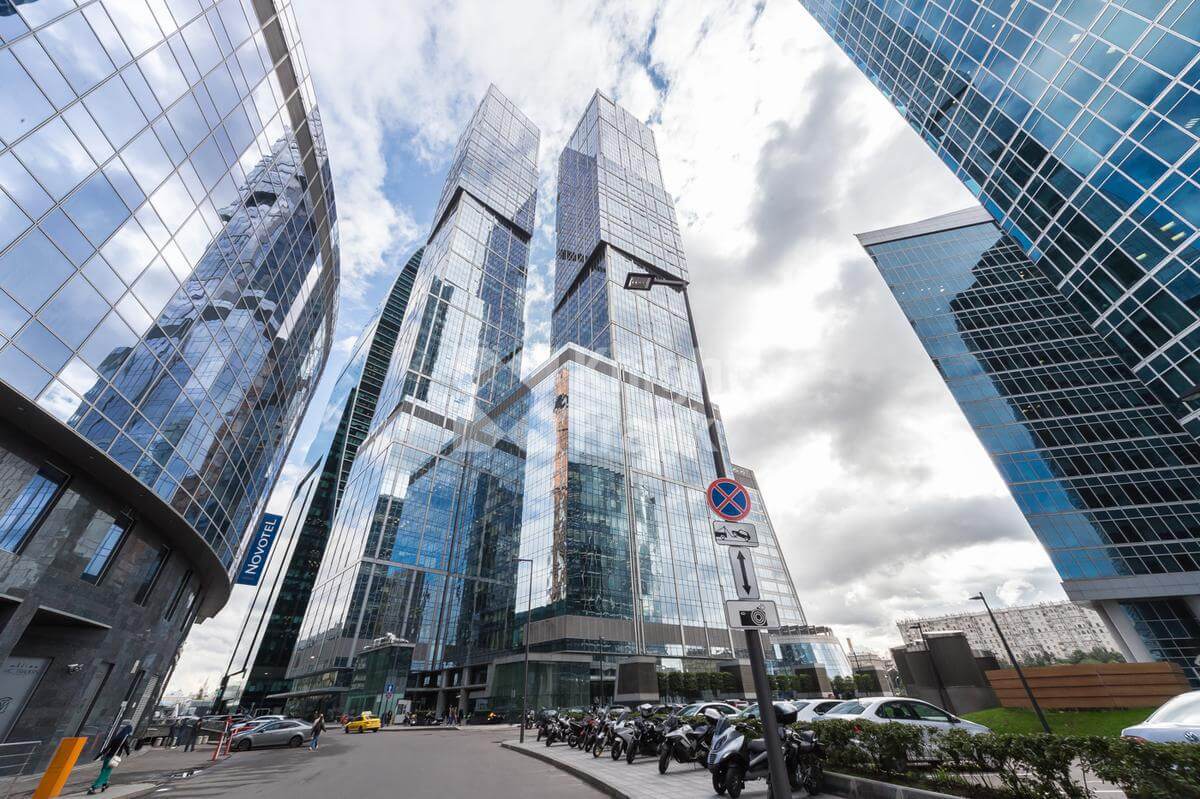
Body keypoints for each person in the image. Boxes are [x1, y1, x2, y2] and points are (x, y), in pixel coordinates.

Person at [88, 719, 133, 794]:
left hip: (107, 757)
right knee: (105, 773)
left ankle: (104, 784)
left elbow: (107, 748)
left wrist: (99, 755)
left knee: (105, 771)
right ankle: (93, 788)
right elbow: (127, 747)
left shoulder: (116, 738)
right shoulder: (124, 739)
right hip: (113, 758)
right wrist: (128, 753)